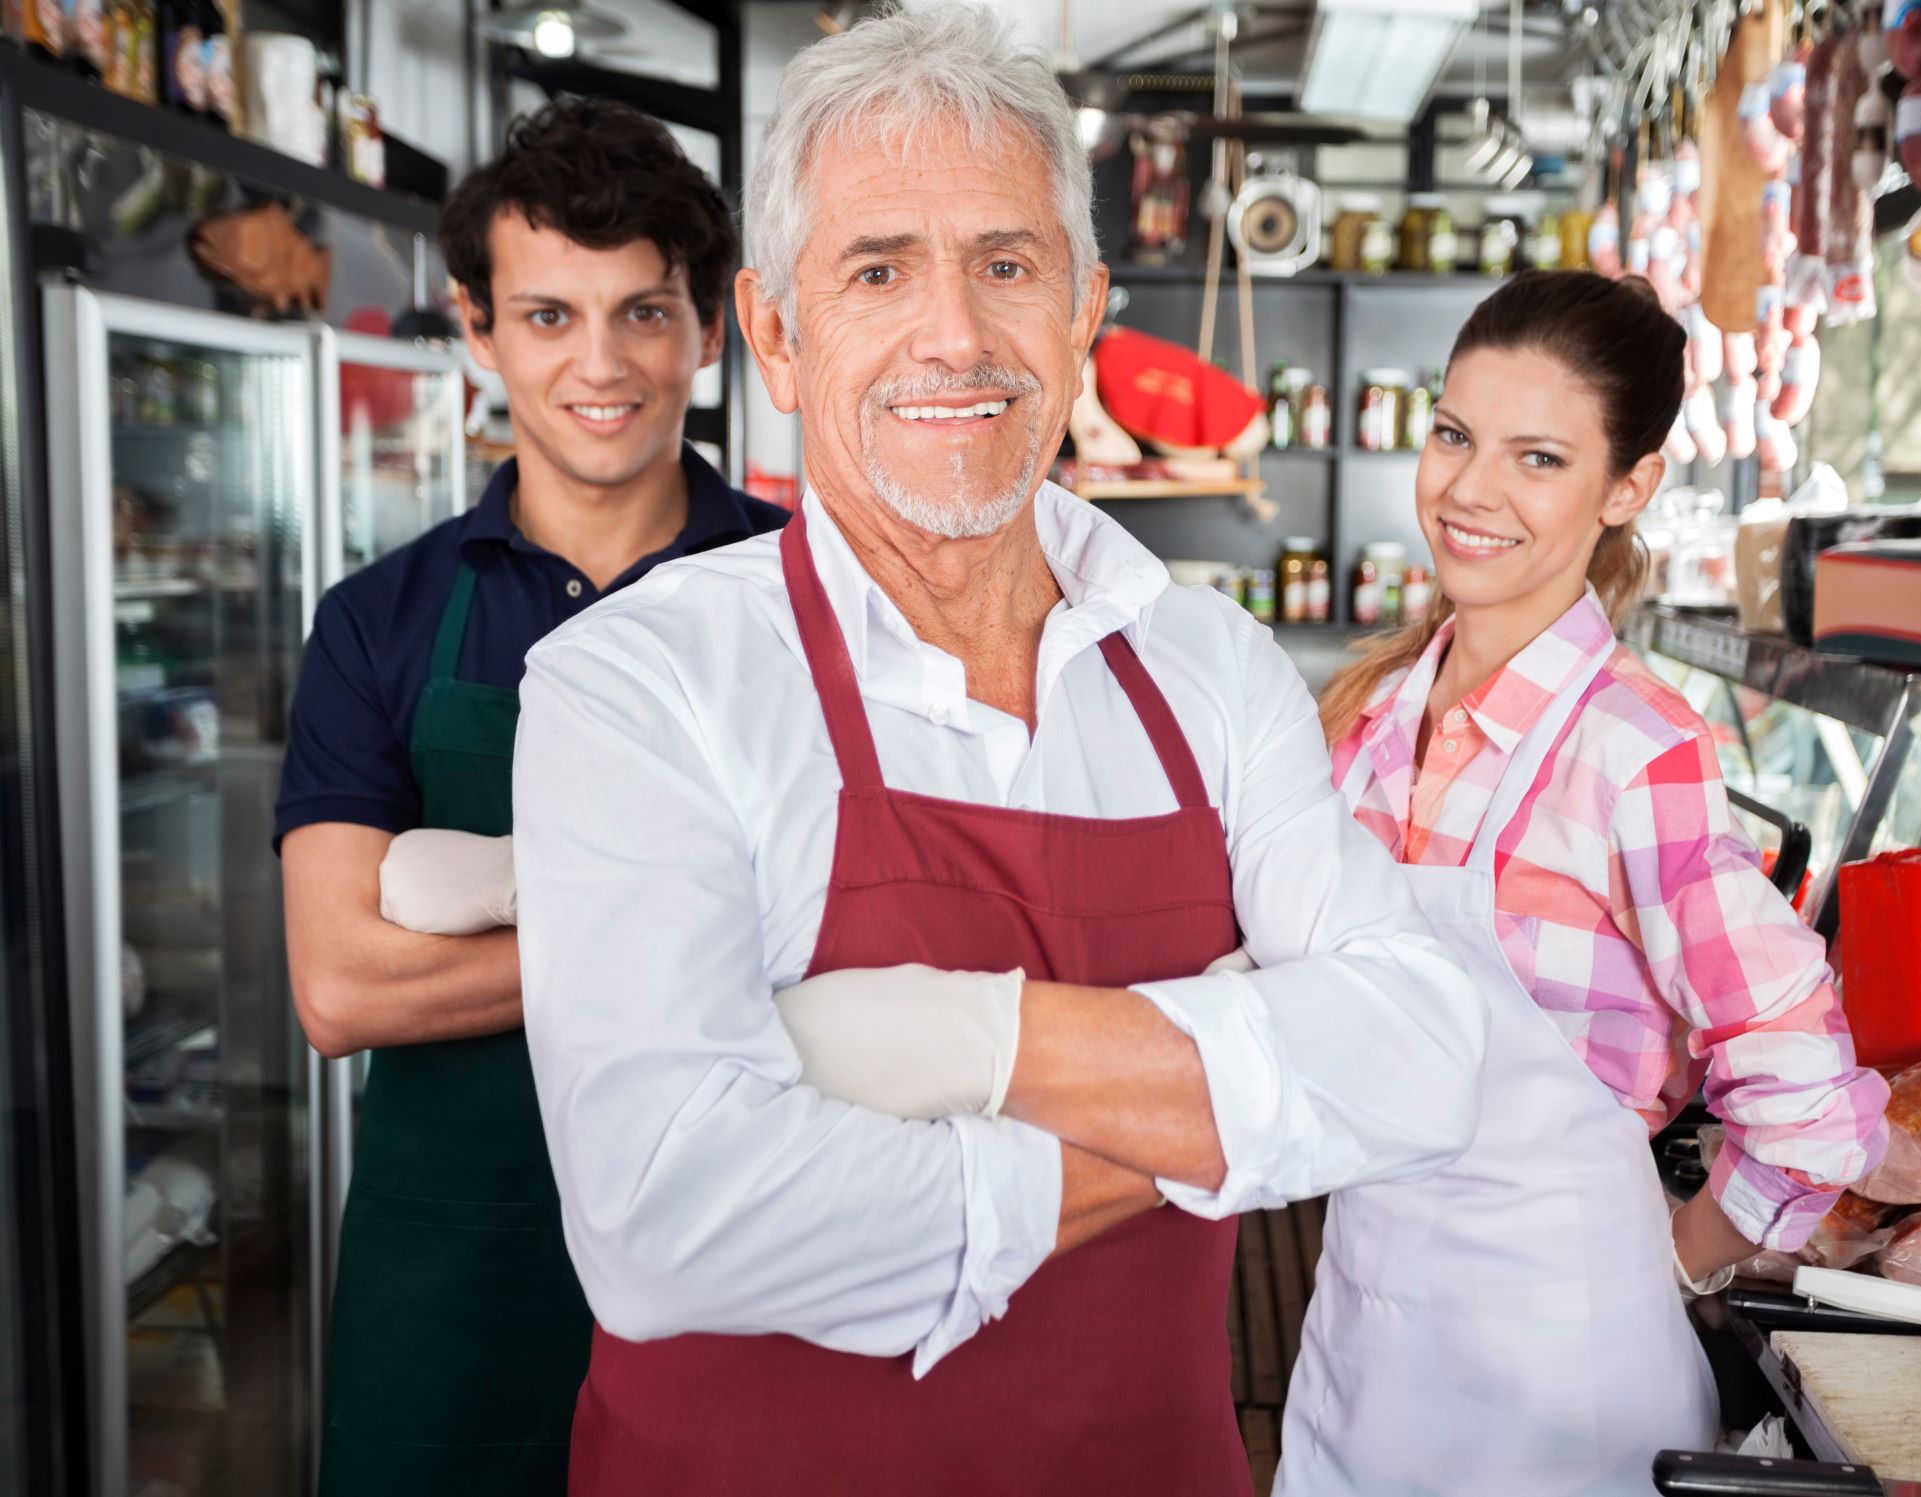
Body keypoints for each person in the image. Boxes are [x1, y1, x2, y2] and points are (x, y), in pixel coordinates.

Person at [495, 8, 1484, 1495]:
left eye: (1006, 266)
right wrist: (1215, 1100)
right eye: (879, 269)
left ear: (1084, 307)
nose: (954, 334)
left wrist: (955, 1045)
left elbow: (1417, 1059)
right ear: (774, 329)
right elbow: (666, 1225)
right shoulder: (637, 683)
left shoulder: (1208, 665)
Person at [1277, 272, 1893, 1497]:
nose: (1468, 491)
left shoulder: (1632, 747)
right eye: (1452, 435)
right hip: (1360, 1348)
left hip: (1559, 1394)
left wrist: (1675, 1262)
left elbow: (1807, 1100)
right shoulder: (1367, 720)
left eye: (1537, 458)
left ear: (1626, 488)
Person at [273, 99, 789, 1497]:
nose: (600, 363)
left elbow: (863, 922)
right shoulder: (378, 621)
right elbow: (342, 986)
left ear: (708, 326)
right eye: (549, 316)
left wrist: (486, 914)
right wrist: (694, 925)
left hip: (740, 1257)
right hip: (452, 1281)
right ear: (479, 329)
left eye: (643, 312)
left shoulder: (805, 600)